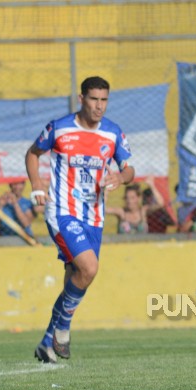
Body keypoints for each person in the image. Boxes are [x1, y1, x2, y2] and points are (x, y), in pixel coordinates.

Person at [25, 76, 134, 363]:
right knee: (89, 268)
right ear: (81, 98)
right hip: (61, 210)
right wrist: (36, 185)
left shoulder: (112, 133)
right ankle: (62, 327)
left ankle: (47, 342)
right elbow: (33, 153)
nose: (99, 106)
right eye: (94, 99)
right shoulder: (60, 128)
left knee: (78, 277)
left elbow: (129, 169)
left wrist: (120, 177)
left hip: (94, 217)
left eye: (104, 100)